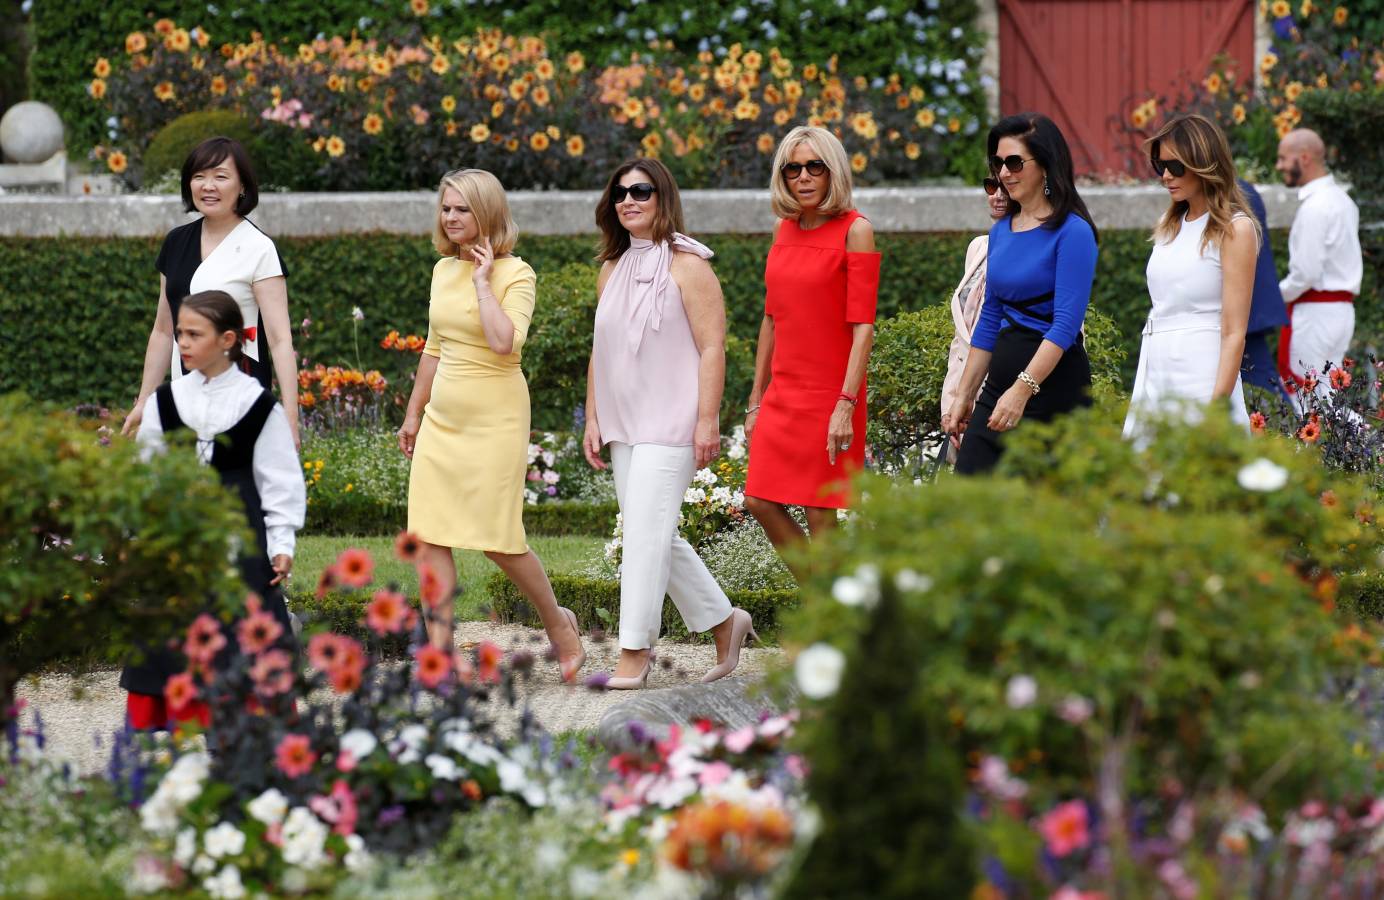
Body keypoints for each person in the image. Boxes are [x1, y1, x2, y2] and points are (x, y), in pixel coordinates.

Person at [397, 168, 584, 683]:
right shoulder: (440, 270)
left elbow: (504, 342)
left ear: (488, 214)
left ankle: (560, 628)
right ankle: (439, 655)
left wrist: (482, 282)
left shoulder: (516, 273)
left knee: (499, 538)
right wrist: (414, 414)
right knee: (430, 536)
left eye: (462, 209)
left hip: (496, 418)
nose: (452, 217)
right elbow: (434, 349)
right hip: (443, 420)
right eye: (446, 208)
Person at [582, 158, 756, 689]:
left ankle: (634, 651)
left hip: (674, 421)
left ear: (663, 197)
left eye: (642, 191)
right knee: (648, 532)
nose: (629, 200)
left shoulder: (689, 266)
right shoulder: (609, 270)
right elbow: (601, 352)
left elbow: (711, 348)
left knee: (643, 536)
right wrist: (592, 415)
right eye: (620, 193)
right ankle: (727, 622)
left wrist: (708, 421)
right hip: (624, 423)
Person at [121, 290, 305, 730]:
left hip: (239, 548)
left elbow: (279, 482)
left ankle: (239, 745)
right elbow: (146, 476)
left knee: (242, 644)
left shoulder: (258, 405)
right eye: (180, 333)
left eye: (193, 334)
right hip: (176, 546)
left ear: (226, 339)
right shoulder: (165, 403)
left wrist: (281, 542)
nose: (182, 343)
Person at [742, 125, 880, 563]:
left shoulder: (856, 230)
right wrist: (755, 398)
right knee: (758, 500)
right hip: (783, 394)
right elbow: (770, 319)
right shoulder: (784, 229)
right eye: (792, 169)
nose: (803, 177)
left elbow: (864, 327)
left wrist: (845, 404)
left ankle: (835, 621)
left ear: (832, 171)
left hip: (830, 394)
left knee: (821, 515)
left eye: (814, 167)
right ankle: (831, 605)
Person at [122, 137, 299, 446]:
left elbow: (280, 339)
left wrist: (290, 420)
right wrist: (144, 402)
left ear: (242, 186)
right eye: (199, 176)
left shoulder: (260, 249)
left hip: (241, 395)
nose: (208, 186)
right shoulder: (176, 243)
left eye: (220, 176)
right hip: (185, 390)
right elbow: (163, 332)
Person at [952, 113, 1099, 474]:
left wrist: (1022, 390)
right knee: (966, 498)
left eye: (1014, 162)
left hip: (1054, 391)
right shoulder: (1001, 231)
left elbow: (1065, 325)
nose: (1003, 173)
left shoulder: (1073, 233)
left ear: (1046, 165)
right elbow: (989, 318)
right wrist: (964, 395)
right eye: (998, 163)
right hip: (1000, 387)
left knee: (1047, 516)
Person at [1122, 114, 1257, 439]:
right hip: (1156, 367)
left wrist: (1217, 407)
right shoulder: (1169, 226)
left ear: (1204, 164)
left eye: (1176, 166)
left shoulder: (1235, 228)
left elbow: (1234, 331)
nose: (1166, 175)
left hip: (1202, 371)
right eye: (1159, 166)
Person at [1274, 128, 1363, 399]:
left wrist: (1272, 297)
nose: (1279, 166)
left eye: (1282, 159)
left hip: (1315, 314)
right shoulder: (1343, 201)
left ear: (1304, 158)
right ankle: (1369, 442)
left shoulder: (1315, 207)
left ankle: (1373, 442)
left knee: (1306, 400)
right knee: (1323, 400)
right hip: (1340, 312)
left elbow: (1305, 274)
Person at [941, 177, 1010, 454]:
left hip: (1003, 401)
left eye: (1006, 187)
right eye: (991, 186)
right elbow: (962, 340)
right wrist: (952, 405)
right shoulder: (978, 247)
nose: (997, 195)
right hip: (963, 402)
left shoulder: (1046, 247)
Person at [1237, 178, 1290, 401]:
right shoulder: (1241, 189)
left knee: (1265, 389)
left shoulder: (1235, 192)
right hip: (1246, 310)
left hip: (1242, 311)